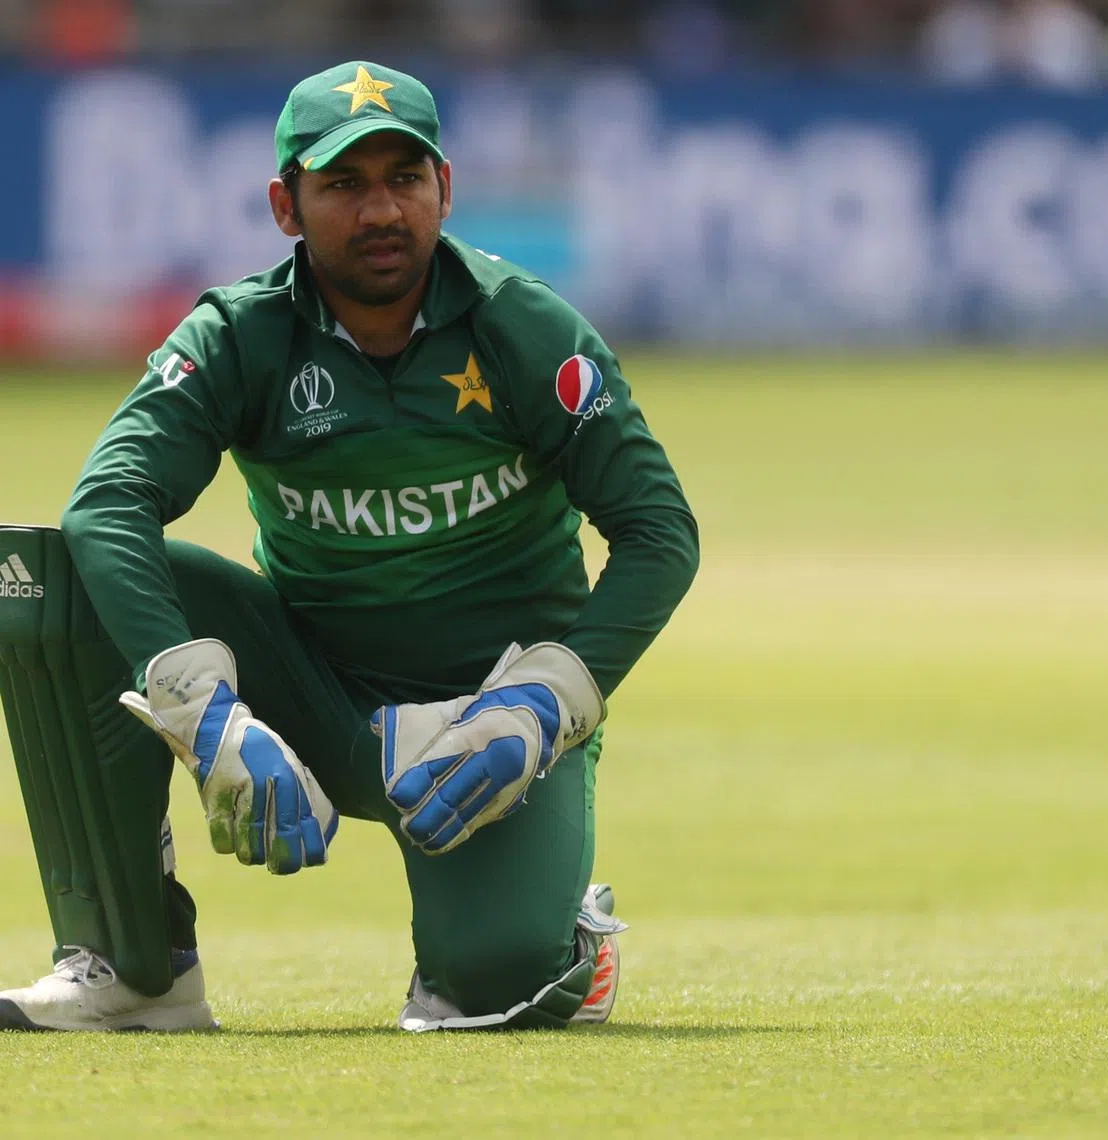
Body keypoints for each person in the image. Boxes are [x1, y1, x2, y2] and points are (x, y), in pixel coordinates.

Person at [0, 59, 699, 1032]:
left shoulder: (526, 329)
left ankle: (566, 940)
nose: (381, 210)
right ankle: (133, 965)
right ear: (285, 206)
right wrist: (200, 706)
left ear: (444, 189)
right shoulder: (240, 335)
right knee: (58, 575)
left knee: (490, 987)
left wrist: (549, 701)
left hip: (491, 723)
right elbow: (108, 503)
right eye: (343, 185)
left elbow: (661, 531)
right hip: (313, 696)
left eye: (404, 179)